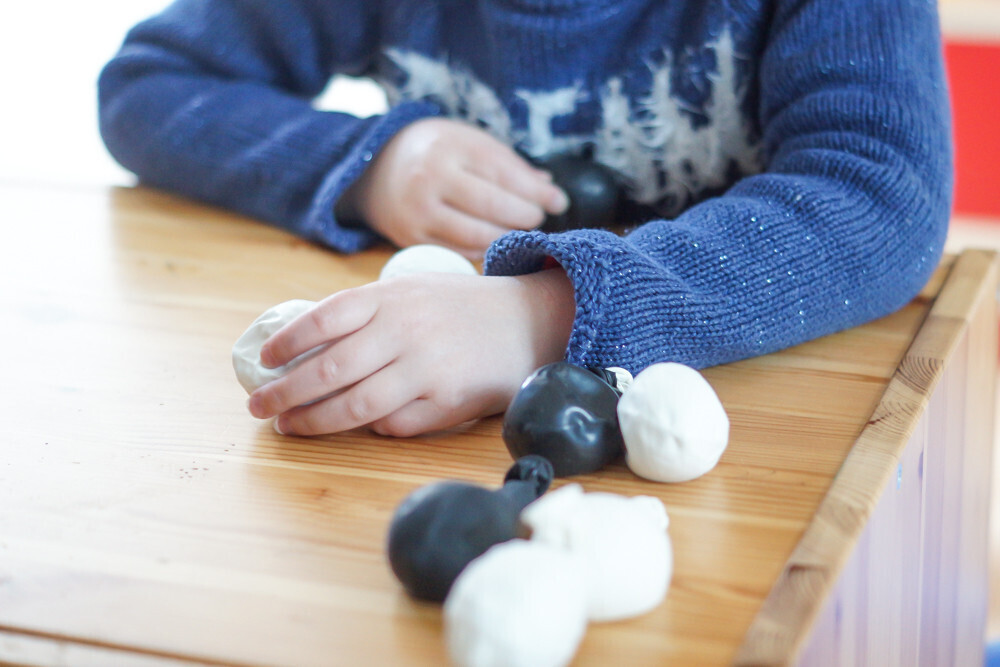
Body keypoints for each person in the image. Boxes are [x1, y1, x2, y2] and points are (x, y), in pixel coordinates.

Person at [98, 0, 952, 438]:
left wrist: (545, 313)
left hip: (767, 409)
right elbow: (148, 86)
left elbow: (883, 191)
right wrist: (374, 164)